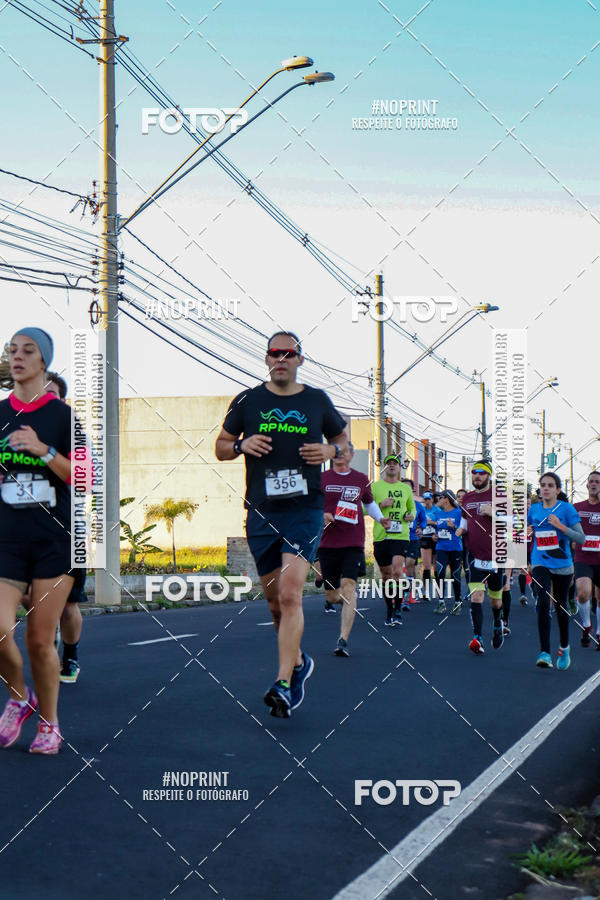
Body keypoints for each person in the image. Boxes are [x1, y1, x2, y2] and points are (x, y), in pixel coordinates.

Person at [215, 331, 347, 718]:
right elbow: (221, 446)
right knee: (275, 605)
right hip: (262, 511)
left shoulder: (316, 400)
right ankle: (299, 662)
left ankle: (284, 683)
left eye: (289, 354)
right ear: (267, 359)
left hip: (305, 509)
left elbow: (344, 442)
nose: (282, 359)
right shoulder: (248, 401)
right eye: (275, 353)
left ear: (300, 360)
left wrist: (332, 449)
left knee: (290, 595)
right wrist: (240, 445)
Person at [0, 329, 74, 753]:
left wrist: (42, 449)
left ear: (44, 361)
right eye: (12, 350)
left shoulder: (63, 417)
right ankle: (18, 698)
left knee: (39, 641)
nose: (18, 357)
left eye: (28, 351)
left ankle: (50, 723)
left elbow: (85, 477)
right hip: (6, 540)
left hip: (52, 541)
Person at [318, 442, 390, 656]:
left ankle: (343, 640)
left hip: (353, 541)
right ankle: (348, 601)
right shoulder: (321, 478)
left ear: (351, 454)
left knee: (349, 586)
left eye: (344, 451)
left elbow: (369, 503)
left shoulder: (360, 479)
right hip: (327, 543)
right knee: (332, 597)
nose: (339, 455)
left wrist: (380, 518)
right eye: (336, 451)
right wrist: (321, 515)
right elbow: (309, 505)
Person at [45, 372, 86, 682]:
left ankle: (70, 657)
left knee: (68, 604)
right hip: (21, 532)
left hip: (66, 531)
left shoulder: (73, 433)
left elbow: (84, 478)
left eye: (51, 395)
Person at [528, 472, 585, 669]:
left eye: (550, 485)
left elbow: (581, 538)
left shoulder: (567, 509)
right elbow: (527, 531)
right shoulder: (534, 509)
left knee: (561, 607)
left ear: (557, 490)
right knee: (543, 602)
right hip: (539, 562)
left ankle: (564, 647)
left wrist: (560, 526)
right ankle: (544, 653)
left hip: (562, 564)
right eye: (543, 485)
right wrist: (527, 532)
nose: (545, 488)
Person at [456, 461, 506, 655]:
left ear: (489, 476)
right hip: (474, 555)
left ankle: (497, 623)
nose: (477, 475)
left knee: (495, 601)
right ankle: (478, 637)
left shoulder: (499, 495)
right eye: (474, 472)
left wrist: (494, 513)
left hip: (496, 555)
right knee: (477, 596)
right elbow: (465, 520)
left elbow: (515, 522)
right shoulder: (467, 498)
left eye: (481, 472)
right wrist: (461, 529)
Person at [371, 455, 416, 626]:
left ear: (399, 468)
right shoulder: (375, 487)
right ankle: (389, 610)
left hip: (400, 535)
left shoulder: (405, 488)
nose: (391, 466)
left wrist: (410, 516)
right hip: (381, 535)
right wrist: (380, 505)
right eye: (388, 463)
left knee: (397, 571)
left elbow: (412, 509)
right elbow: (363, 508)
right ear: (384, 468)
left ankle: (398, 609)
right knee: (386, 575)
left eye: (394, 464)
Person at [573, 472, 600, 649]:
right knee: (583, 593)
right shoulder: (577, 507)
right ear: (587, 485)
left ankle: (599, 633)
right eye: (591, 481)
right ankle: (586, 625)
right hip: (583, 557)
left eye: (598, 482)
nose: (594, 484)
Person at [431, 490, 463, 615]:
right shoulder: (438, 514)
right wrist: (435, 536)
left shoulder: (458, 512)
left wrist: (453, 527)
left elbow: (463, 531)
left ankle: (457, 602)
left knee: (455, 575)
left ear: (446, 499)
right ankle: (441, 602)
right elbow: (438, 531)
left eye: (440, 497)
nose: (438, 500)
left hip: (455, 548)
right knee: (440, 573)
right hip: (441, 548)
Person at [401, 478, 426, 609]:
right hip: (398, 538)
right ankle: (398, 595)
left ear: (412, 490)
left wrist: (421, 528)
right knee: (398, 568)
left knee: (410, 563)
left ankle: (407, 596)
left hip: (413, 538)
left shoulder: (418, 506)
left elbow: (423, 520)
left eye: (408, 488)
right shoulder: (396, 504)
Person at [420, 491, 437, 600]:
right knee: (426, 566)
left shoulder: (437, 510)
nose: (427, 501)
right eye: (425, 499)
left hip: (436, 538)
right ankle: (426, 592)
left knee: (436, 567)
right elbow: (418, 522)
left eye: (428, 499)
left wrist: (431, 522)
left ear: (432, 500)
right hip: (425, 538)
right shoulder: (421, 510)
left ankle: (440, 591)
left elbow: (441, 523)